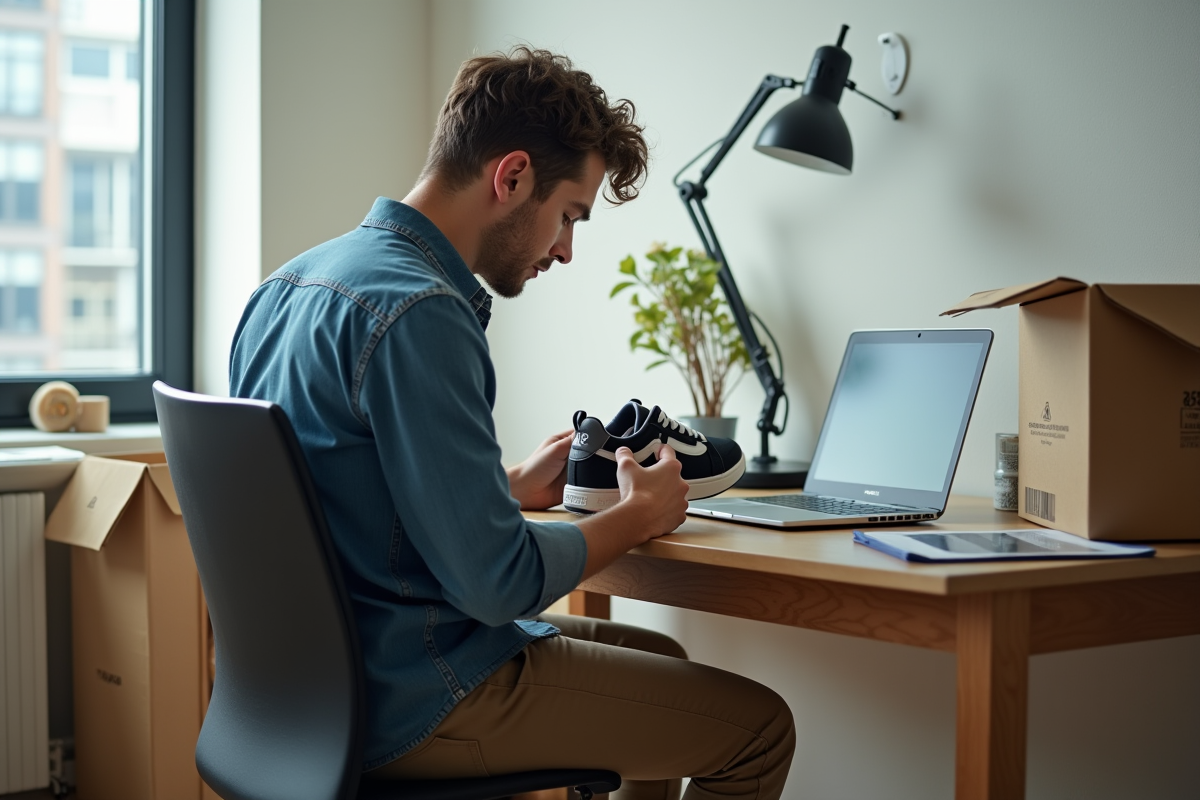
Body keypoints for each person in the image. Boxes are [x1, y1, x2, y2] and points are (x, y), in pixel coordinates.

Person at [229, 47, 795, 800]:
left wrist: (499, 487)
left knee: (661, 655)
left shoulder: (288, 285)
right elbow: (498, 585)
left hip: (306, 697)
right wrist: (637, 515)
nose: (564, 249)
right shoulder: (421, 312)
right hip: (416, 695)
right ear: (513, 176)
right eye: (569, 216)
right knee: (760, 732)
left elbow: (337, 487)